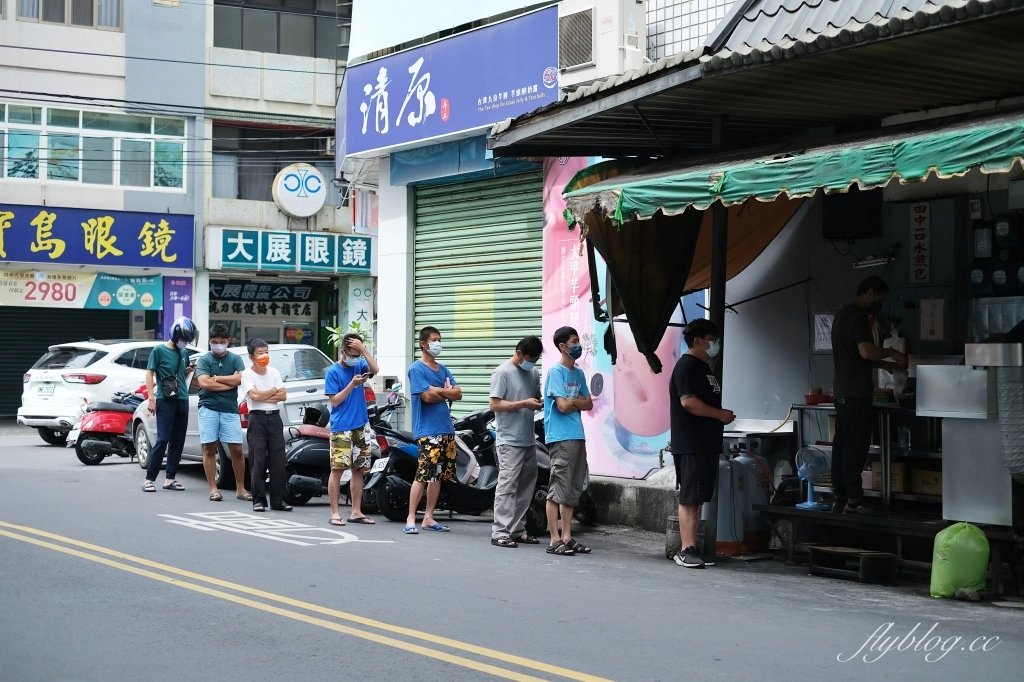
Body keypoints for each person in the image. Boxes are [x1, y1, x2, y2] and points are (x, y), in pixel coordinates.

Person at [830, 276, 906, 516]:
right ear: (870, 293)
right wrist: (892, 352)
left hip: (842, 391)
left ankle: (840, 498)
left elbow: (855, 356)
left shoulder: (841, 315)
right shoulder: (858, 317)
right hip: (856, 393)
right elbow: (865, 350)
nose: (879, 304)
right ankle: (854, 502)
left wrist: (882, 365)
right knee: (855, 445)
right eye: (880, 299)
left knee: (841, 445)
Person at [669, 318, 735, 569]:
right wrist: (719, 415)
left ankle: (692, 547)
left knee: (697, 497)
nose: (716, 344)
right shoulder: (687, 367)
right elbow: (688, 402)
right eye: (712, 339)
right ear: (698, 341)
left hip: (705, 442)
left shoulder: (704, 367)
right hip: (691, 442)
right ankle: (685, 549)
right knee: (689, 496)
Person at [405, 326, 462, 534]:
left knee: (437, 475)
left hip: (446, 429)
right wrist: (446, 391)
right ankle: (411, 517)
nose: (438, 343)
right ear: (424, 344)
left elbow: (459, 394)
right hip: (427, 431)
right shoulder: (416, 369)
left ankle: (428, 517)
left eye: (440, 339)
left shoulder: (443, 369)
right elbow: (426, 397)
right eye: (435, 340)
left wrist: (438, 390)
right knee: (423, 474)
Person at [488, 336, 544, 548]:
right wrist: (523, 404)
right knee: (507, 486)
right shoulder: (502, 372)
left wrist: (538, 402)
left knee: (526, 487)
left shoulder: (533, 372)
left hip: (528, 438)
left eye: (536, 359)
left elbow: (535, 397)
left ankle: (517, 529)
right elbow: (494, 405)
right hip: (508, 440)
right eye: (530, 358)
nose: (533, 362)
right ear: (519, 353)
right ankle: (500, 532)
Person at [543, 326, 594, 556]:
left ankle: (567, 536)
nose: (577, 345)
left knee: (573, 489)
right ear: (563, 346)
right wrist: (577, 401)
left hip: (577, 435)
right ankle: (554, 539)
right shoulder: (556, 372)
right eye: (573, 341)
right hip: (561, 437)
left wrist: (573, 401)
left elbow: (589, 403)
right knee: (558, 488)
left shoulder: (579, 373)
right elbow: (562, 407)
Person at [324, 334, 379, 526]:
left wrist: (364, 350)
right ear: (342, 352)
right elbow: (335, 400)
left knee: (359, 470)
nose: (355, 358)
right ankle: (335, 513)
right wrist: (351, 385)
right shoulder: (333, 372)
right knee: (337, 469)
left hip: (361, 425)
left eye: (358, 354)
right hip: (341, 428)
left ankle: (356, 511)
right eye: (352, 354)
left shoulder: (360, 365)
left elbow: (376, 369)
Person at [195, 323, 251, 503]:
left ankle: (241, 488)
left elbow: (241, 379)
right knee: (209, 448)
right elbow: (204, 383)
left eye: (222, 341)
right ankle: (213, 488)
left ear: (229, 342)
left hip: (229, 409)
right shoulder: (204, 360)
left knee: (236, 449)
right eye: (214, 342)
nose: (218, 345)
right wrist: (229, 383)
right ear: (209, 342)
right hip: (208, 408)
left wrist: (216, 378)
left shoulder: (235, 359)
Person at [143, 317, 196, 493]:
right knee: (163, 439)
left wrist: (189, 371)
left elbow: (181, 374)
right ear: (174, 335)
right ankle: (149, 479)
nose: (185, 343)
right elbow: (149, 374)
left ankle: (170, 478)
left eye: (187, 340)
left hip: (183, 399)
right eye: (183, 339)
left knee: (178, 440)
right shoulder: (158, 350)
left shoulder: (184, 353)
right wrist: (151, 399)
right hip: (165, 400)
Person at [240, 339, 291, 513]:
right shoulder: (247, 374)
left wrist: (263, 395)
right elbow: (253, 396)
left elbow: (283, 395)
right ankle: (259, 500)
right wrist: (271, 392)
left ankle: (278, 501)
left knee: (278, 461)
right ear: (251, 357)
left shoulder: (274, 372)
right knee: (258, 460)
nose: (264, 356)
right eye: (260, 353)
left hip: (275, 418)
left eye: (266, 352)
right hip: (257, 419)